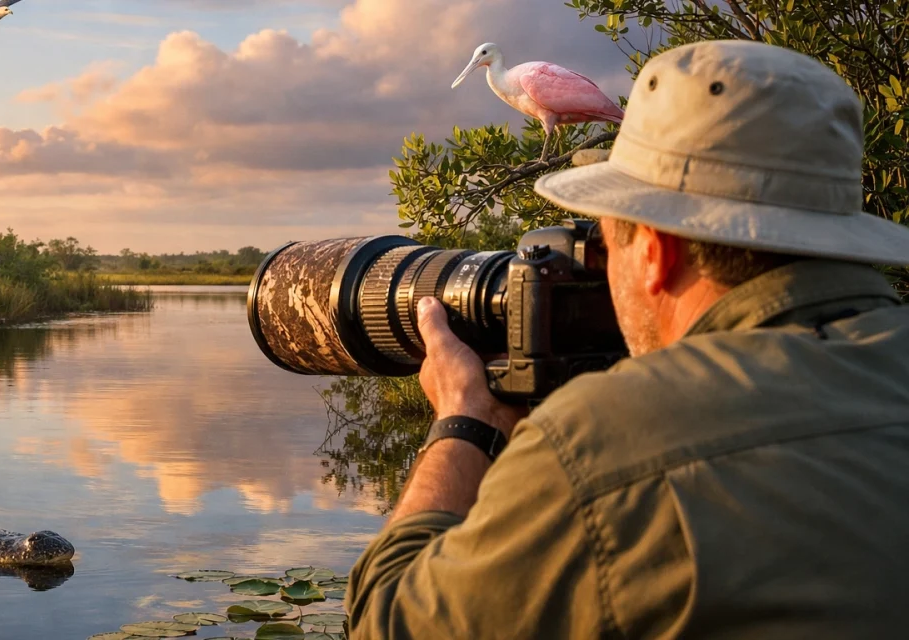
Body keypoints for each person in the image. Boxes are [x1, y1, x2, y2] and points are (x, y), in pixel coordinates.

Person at [345, 39, 909, 639]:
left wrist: (464, 422)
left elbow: (390, 624)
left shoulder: (595, 445)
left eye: (606, 239)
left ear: (657, 252)